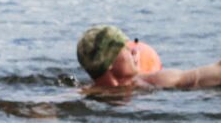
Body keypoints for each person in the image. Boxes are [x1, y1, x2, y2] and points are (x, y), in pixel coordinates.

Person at [76, 25, 221, 90]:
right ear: (108, 62)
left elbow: (195, 77)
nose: (134, 52)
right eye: (125, 49)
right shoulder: (152, 82)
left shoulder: (152, 80)